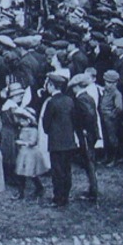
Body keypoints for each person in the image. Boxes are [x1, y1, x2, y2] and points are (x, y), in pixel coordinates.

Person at [40, 71, 77, 207]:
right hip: (69, 141)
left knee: (57, 171)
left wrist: (50, 131)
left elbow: (46, 124)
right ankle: (65, 196)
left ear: (51, 85)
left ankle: (58, 198)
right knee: (67, 170)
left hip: (56, 142)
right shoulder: (69, 100)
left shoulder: (51, 103)